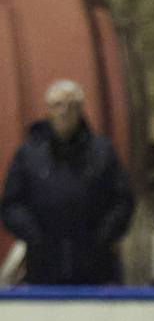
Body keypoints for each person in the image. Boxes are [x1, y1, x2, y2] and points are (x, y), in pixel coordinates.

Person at [2, 79, 133, 285]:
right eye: (58, 105)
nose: (64, 112)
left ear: (81, 109)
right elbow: (11, 205)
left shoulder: (102, 153)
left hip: (96, 267)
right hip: (44, 266)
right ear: (49, 110)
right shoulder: (29, 155)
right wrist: (35, 237)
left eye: (71, 106)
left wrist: (102, 238)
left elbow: (123, 202)